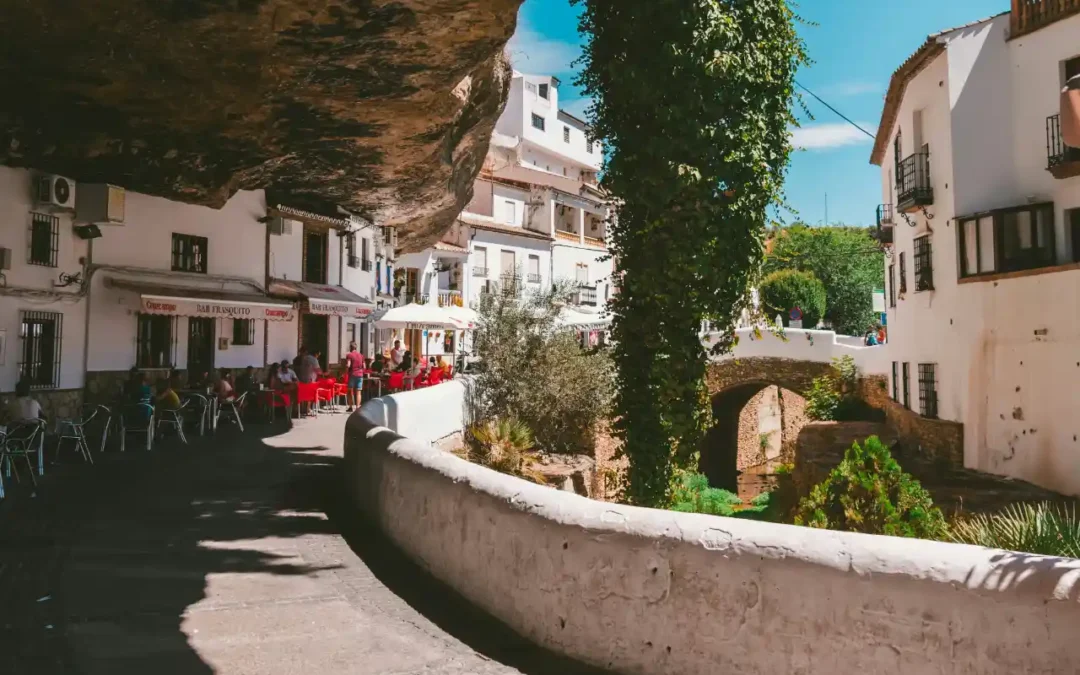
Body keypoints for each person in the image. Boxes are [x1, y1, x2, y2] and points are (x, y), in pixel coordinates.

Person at [344, 342, 366, 412]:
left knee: (349, 391)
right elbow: (364, 366)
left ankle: (350, 407)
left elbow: (348, 365)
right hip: (360, 375)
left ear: (350, 348)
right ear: (356, 348)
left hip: (352, 375)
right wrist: (361, 372)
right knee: (358, 392)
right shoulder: (361, 355)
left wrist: (345, 372)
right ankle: (357, 407)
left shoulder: (349, 355)